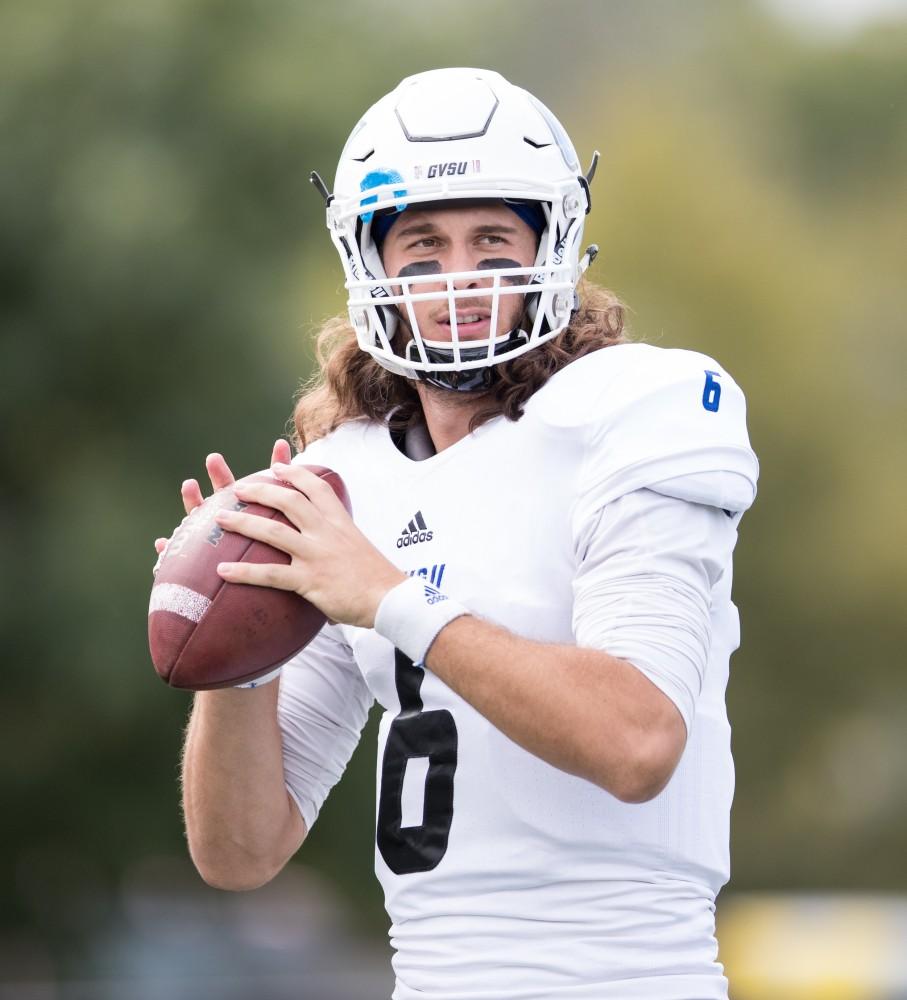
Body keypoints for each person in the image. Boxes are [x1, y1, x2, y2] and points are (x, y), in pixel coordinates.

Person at [161, 68, 759, 1000]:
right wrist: (238, 649)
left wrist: (392, 600)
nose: (462, 278)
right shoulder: (345, 475)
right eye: (424, 245)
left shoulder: (641, 407)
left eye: (492, 239)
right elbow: (240, 853)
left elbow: (637, 742)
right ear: (372, 265)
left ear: (553, 245)